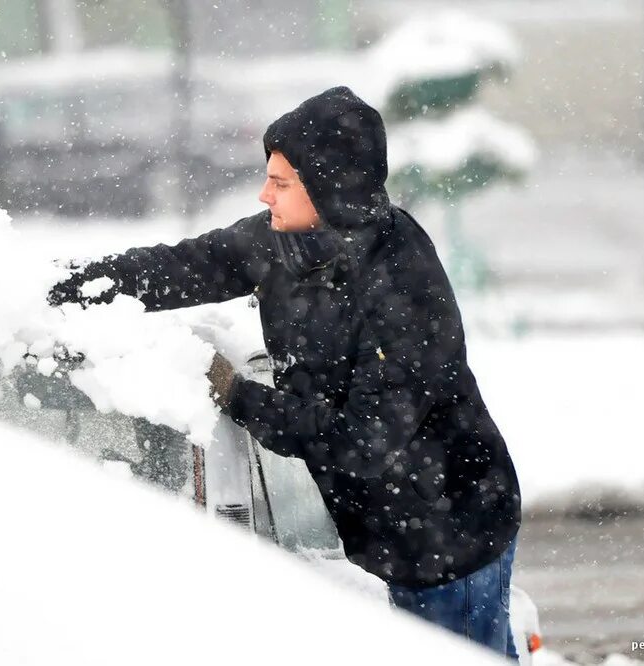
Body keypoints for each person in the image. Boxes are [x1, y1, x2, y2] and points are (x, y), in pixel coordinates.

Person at [48, 86, 522, 659]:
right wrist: (66, 286)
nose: (263, 193)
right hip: (377, 532)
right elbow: (183, 266)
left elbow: (363, 442)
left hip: (450, 535)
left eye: (281, 182)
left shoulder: (401, 281)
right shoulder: (279, 243)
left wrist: (237, 394)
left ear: (329, 187)